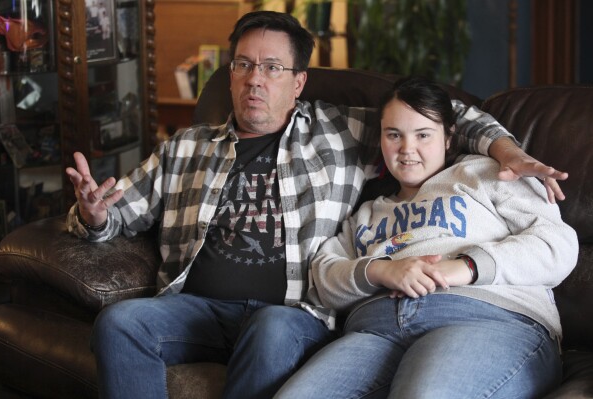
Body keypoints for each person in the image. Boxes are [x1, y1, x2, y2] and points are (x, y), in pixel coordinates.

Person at [66, 11, 568, 399]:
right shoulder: (185, 146)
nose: (254, 80)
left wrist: (511, 152)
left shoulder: (338, 130)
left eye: (272, 67)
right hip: (195, 306)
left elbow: (436, 116)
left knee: (272, 328)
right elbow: (118, 210)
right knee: (120, 322)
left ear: (298, 81)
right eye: (242, 65)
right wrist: (95, 214)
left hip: (288, 309)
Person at [274, 77, 578, 399]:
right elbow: (324, 277)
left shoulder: (487, 173)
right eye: (394, 135)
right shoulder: (366, 212)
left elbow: (557, 244)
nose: (407, 149)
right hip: (376, 333)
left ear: (448, 137)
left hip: (483, 318)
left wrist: (466, 267)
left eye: (423, 135)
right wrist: (380, 270)